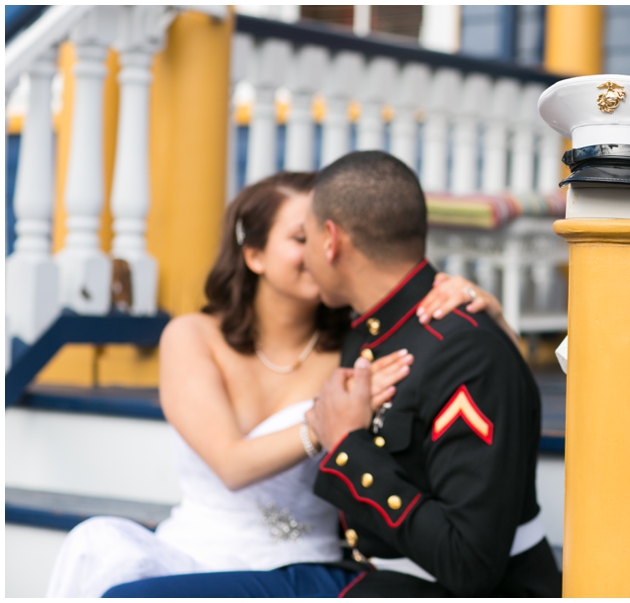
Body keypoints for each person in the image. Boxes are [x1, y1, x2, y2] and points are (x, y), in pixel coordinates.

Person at [104, 151, 561, 598]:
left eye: (307, 236)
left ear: (330, 240)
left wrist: (346, 443)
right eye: (293, 237)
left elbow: (470, 562)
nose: (306, 254)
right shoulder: (366, 334)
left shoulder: (452, 347)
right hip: (364, 573)